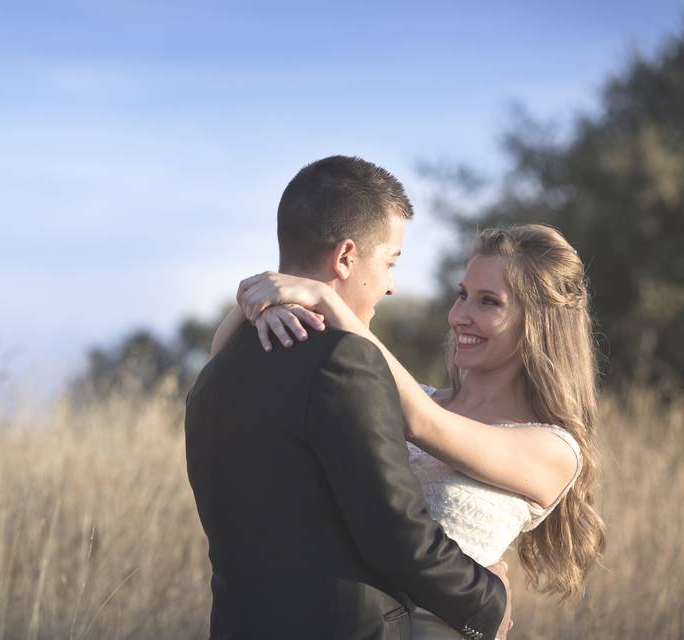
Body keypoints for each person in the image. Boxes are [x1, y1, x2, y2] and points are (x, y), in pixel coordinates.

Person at [223, 223, 607, 638]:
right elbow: (223, 370)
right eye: (462, 295)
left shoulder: (553, 449)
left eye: (489, 302)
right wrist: (256, 307)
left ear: (538, 323)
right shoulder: (416, 396)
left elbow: (423, 423)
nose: (460, 316)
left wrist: (328, 300)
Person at [185, 155, 511, 640]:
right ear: (345, 257)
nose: (391, 285)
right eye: (390, 261)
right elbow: (398, 535)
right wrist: (488, 602)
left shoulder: (215, 371)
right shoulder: (344, 362)